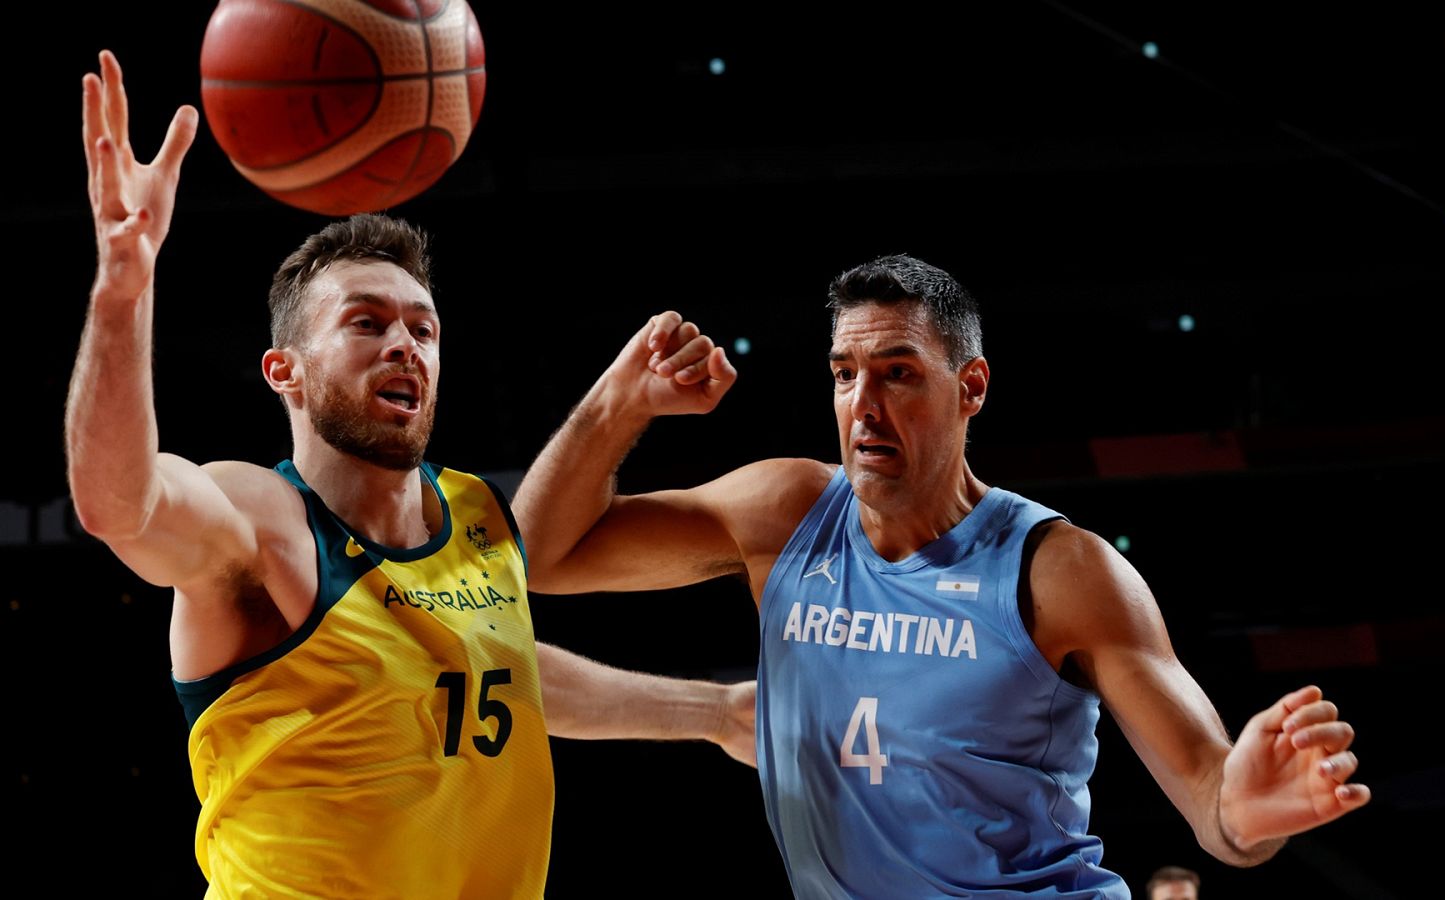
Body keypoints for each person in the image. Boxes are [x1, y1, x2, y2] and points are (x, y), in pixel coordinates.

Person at [66, 51, 753, 899]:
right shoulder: (265, 519)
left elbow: (496, 668)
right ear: (286, 372)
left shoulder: (469, 513)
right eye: (366, 322)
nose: (405, 344)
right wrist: (123, 292)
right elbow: (119, 505)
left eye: (423, 329)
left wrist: (718, 714)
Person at [518, 254, 1372, 898]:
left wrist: (1246, 813)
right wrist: (619, 402)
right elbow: (544, 557)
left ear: (971, 387)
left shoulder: (1061, 572)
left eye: (897, 373)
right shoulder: (785, 514)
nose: (863, 405)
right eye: (844, 375)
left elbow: (1212, 800)